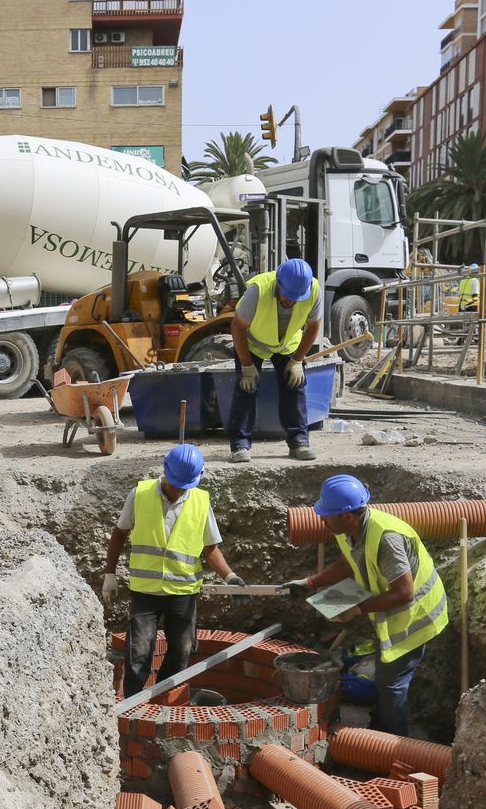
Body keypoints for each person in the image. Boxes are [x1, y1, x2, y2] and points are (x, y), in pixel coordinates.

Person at [284, 474, 448, 736]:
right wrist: (311, 583)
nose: (321, 520)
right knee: (385, 678)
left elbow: (405, 593)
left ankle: (393, 745)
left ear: (347, 515)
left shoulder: (386, 540)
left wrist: (357, 609)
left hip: (416, 618)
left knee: (392, 684)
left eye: (326, 515)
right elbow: (350, 562)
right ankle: (382, 725)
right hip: (393, 614)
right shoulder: (347, 529)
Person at [102, 444, 243, 698]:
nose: (178, 490)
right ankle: (134, 705)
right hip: (146, 592)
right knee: (139, 653)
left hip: (183, 593)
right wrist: (109, 574)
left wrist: (230, 576)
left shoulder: (200, 501)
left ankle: (160, 698)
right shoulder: (140, 494)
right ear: (165, 472)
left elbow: (210, 548)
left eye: (184, 485)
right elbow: (119, 533)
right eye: (176, 483)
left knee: (182, 650)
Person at [227, 257, 321, 463]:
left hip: (287, 342)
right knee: (246, 388)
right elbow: (237, 328)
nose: (292, 302)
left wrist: (297, 361)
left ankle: (299, 442)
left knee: (295, 387)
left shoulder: (313, 289)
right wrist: (246, 366)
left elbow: (313, 327)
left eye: (297, 297)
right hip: (253, 342)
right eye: (288, 296)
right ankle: (240, 445)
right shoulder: (257, 291)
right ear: (278, 284)